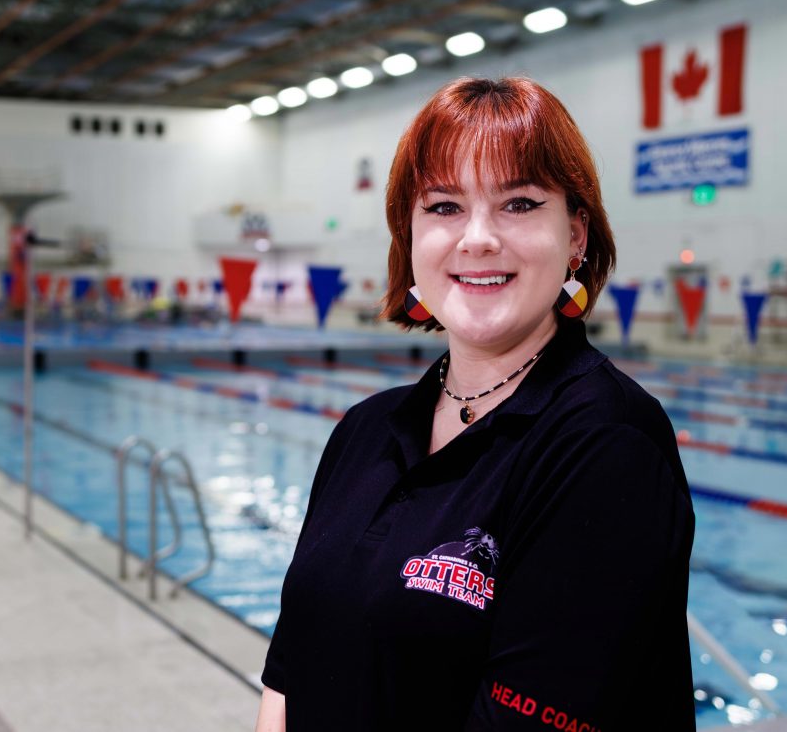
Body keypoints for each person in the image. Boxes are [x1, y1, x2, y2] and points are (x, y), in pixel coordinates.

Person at [256, 76, 695, 731]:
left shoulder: (607, 444)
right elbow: (286, 678)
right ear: (409, 235)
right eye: (444, 207)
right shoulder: (364, 431)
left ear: (575, 235)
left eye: (519, 203)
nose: (478, 238)